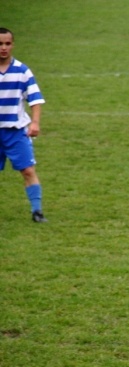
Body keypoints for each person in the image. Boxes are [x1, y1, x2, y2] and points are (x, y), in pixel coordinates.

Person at [0, 27, 47, 223]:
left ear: (13, 45)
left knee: (28, 171)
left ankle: (37, 212)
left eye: (7, 43)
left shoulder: (22, 71)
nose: (3, 48)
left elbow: (35, 99)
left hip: (16, 132)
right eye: (0, 44)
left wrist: (35, 123)